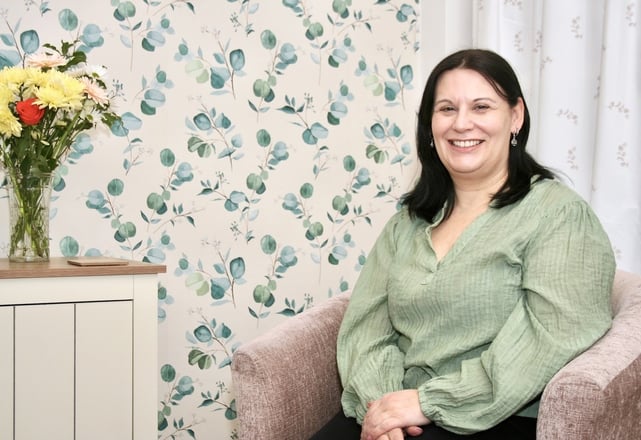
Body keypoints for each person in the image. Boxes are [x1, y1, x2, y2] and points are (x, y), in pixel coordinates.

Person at [310, 48, 615, 440]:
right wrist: (384, 405)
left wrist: (429, 402)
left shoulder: (558, 214)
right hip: (396, 410)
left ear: (516, 116)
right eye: (447, 109)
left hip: (496, 418)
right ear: (431, 126)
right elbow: (366, 327)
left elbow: (552, 334)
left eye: (482, 107)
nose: (462, 123)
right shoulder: (407, 221)